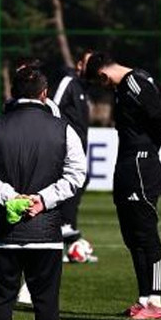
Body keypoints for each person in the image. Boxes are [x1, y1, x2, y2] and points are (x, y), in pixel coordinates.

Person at [0, 66, 85, 320]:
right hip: (46, 231)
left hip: (4, 232)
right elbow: (76, 175)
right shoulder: (64, 128)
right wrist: (43, 199)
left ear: (13, 93)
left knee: (1, 299)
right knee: (46, 300)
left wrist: (10, 197)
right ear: (44, 94)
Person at [84, 52, 161, 320]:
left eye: (100, 83)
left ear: (103, 76)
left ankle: (156, 302)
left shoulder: (136, 82)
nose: (105, 88)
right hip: (126, 163)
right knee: (132, 236)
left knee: (146, 233)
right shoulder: (131, 83)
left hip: (140, 165)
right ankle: (144, 298)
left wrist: (149, 143)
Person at [51, 48, 95, 260]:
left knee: (78, 186)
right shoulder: (68, 82)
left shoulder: (84, 88)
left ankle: (70, 243)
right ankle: (60, 236)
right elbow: (53, 108)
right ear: (79, 65)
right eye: (89, 62)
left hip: (79, 150)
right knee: (67, 189)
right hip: (63, 150)